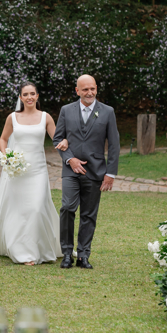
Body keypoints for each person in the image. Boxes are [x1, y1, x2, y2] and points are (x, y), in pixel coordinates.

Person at [0, 81, 67, 265]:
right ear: (20, 97)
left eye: (32, 94)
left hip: (38, 170)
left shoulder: (46, 117)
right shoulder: (13, 118)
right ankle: (24, 253)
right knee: (19, 210)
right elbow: (3, 139)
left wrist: (64, 142)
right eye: (26, 94)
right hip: (17, 171)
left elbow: (57, 138)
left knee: (37, 208)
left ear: (37, 96)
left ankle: (40, 248)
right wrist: (7, 156)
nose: (29, 97)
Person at [53, 74, 120, 269]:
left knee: (89, 214)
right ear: (77, 91)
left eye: (92, 89)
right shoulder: (66, 110)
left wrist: (110, 174)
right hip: (70, 170)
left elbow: (114, 145)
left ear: (96, 88)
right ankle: (67, 253)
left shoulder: (107, 112)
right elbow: (57, 139)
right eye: (85, 89)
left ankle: (83, 255)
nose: (89, 92)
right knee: (67, 208)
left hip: (95, 170)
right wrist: (70, 159)